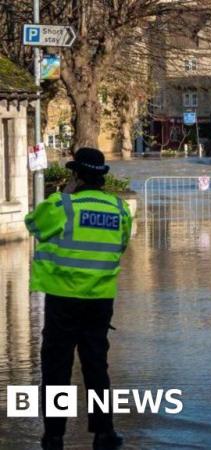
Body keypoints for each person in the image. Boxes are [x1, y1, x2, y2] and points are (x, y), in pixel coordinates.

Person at [25, 148, 133, 450]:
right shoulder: (120, 209)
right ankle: (103, 433)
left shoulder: (64, 205)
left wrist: (64, 193)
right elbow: (120, 247)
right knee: (96, 365)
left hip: (63, 299)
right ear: (101, 177)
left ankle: (55, 435)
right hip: (99, 300)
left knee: (57, 367)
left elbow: (33, 225)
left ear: (75, 176)